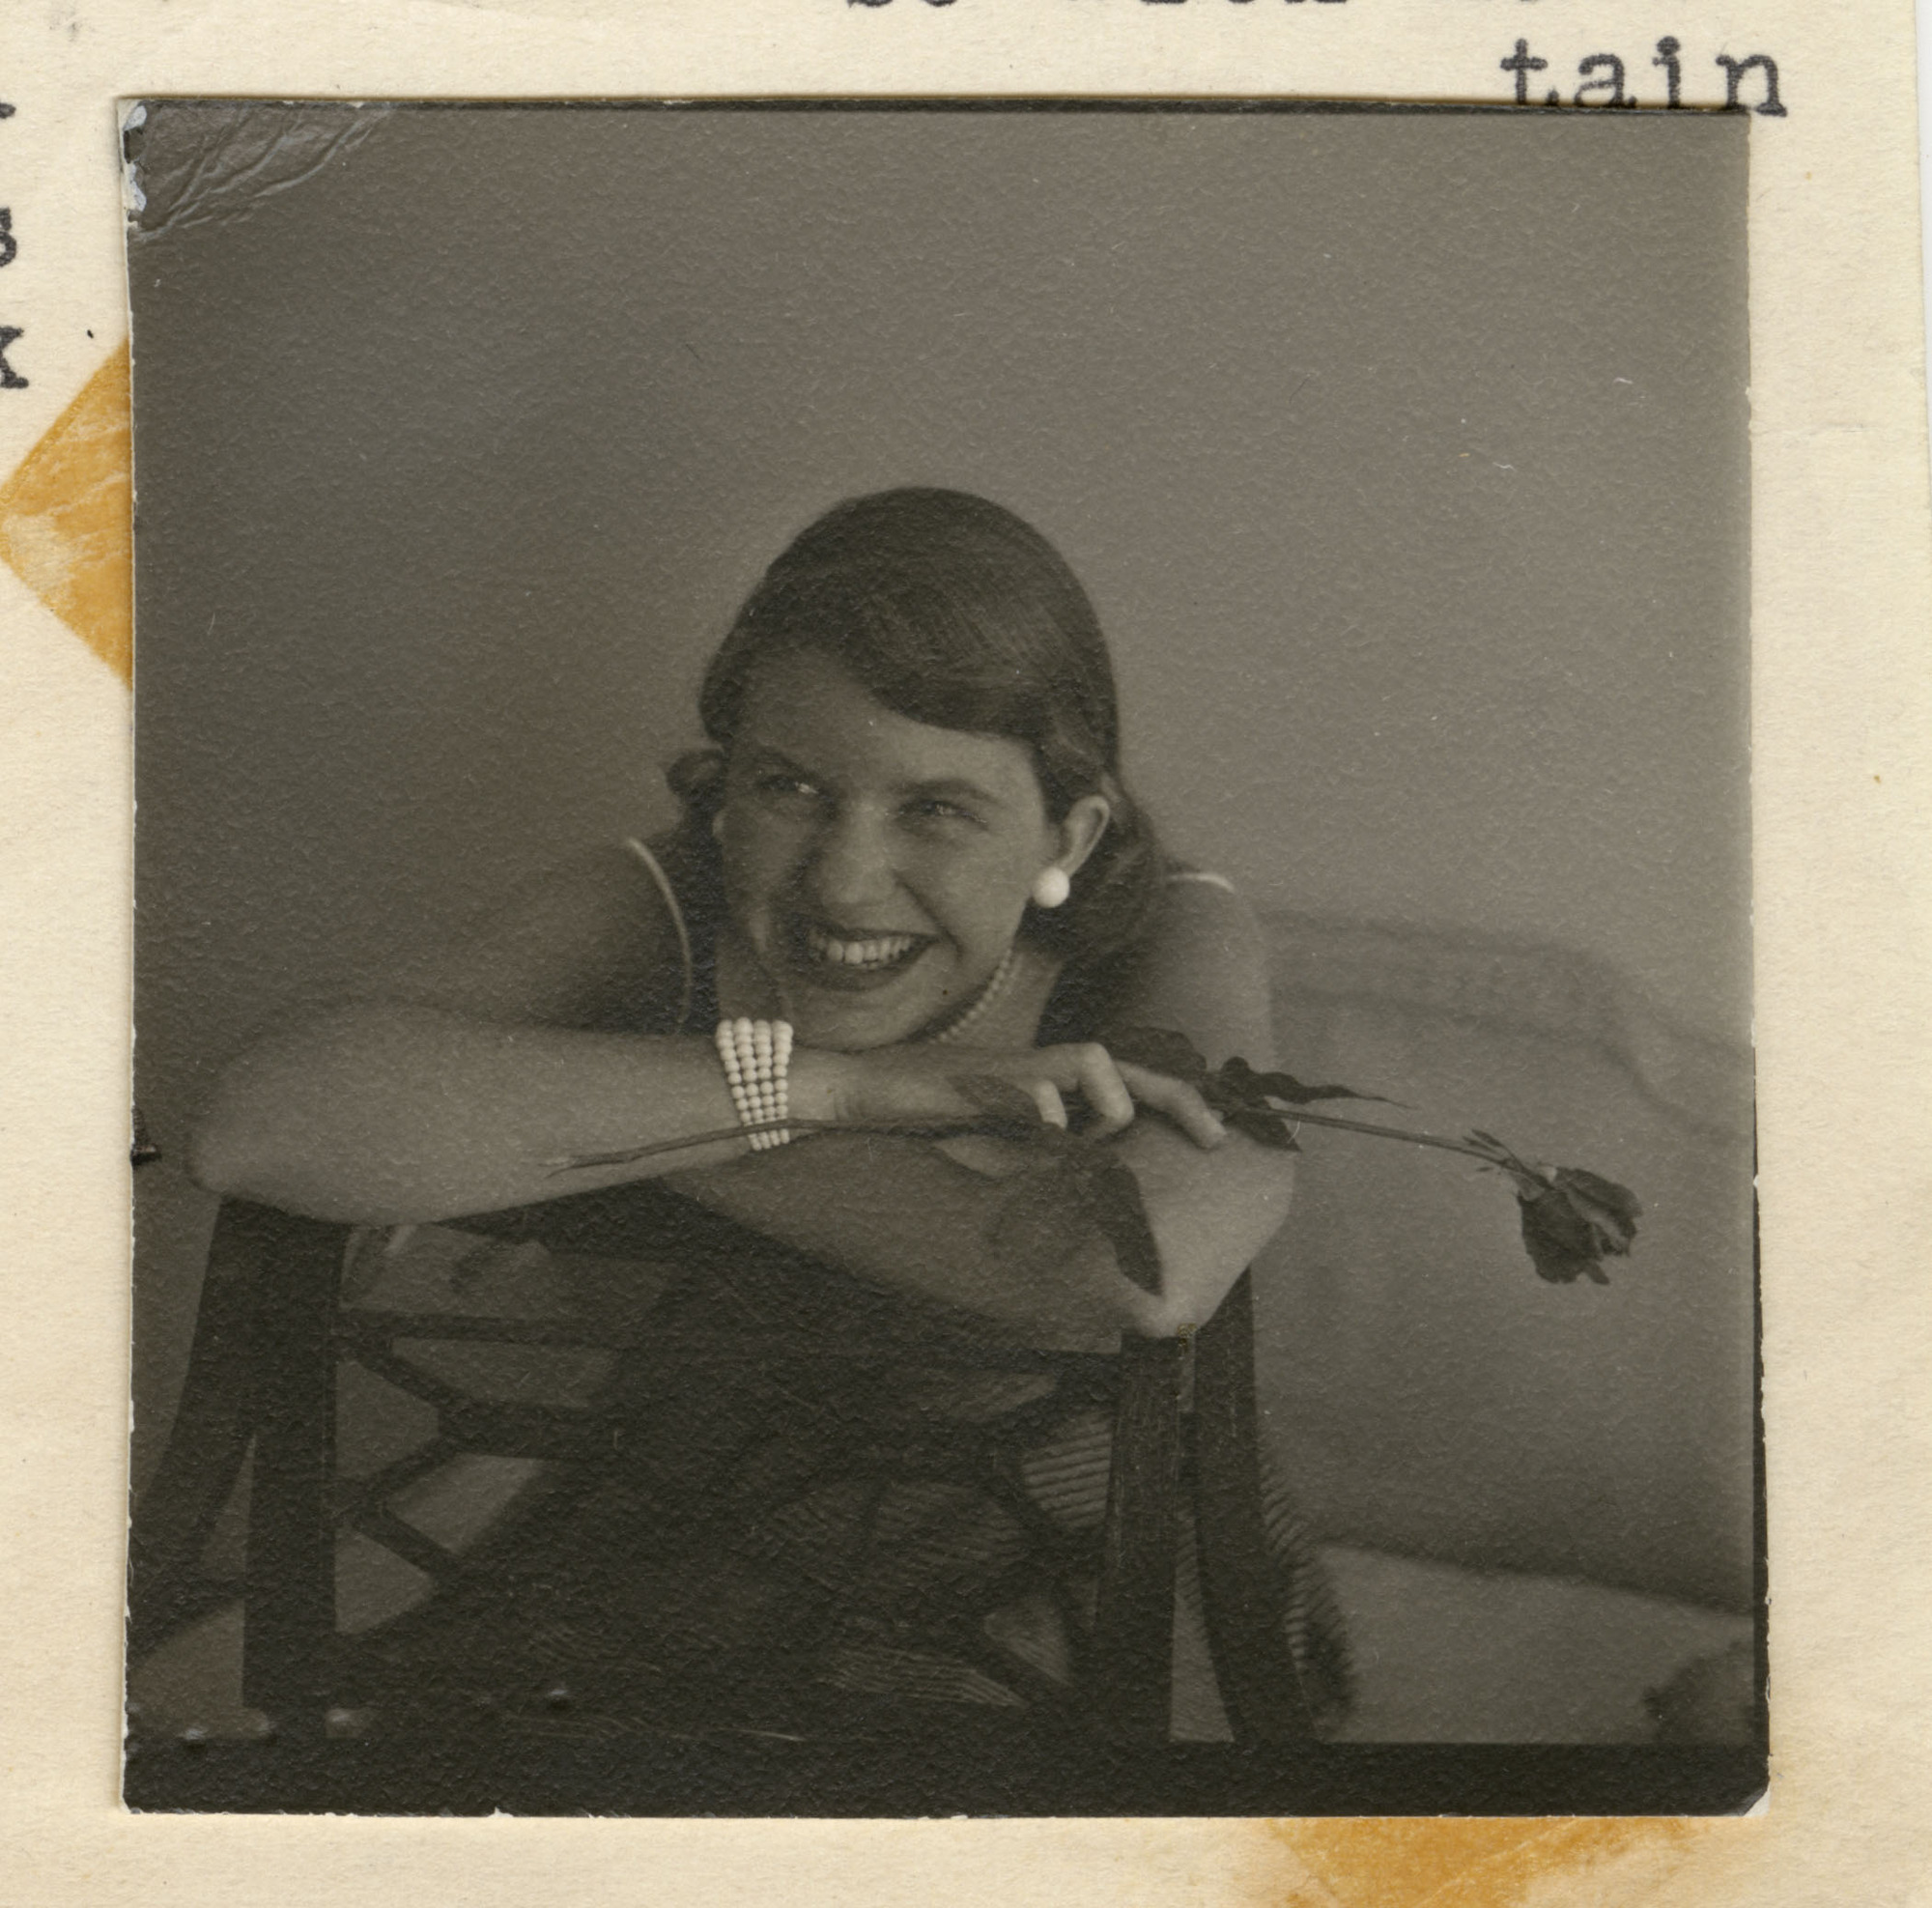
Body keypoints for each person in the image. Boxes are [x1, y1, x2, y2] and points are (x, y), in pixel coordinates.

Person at [189, 488, 1350, 1742]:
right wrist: (841, 1089)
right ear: (728, 788)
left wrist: (578, 1133)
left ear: (1069, 830)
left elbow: (1144, 1266)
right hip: (696, 1577)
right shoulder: (668, 903)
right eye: (791, 788)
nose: (844, 880)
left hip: (1085, 1614)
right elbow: (260, 1123)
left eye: (937, 810)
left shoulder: (1171, 934)